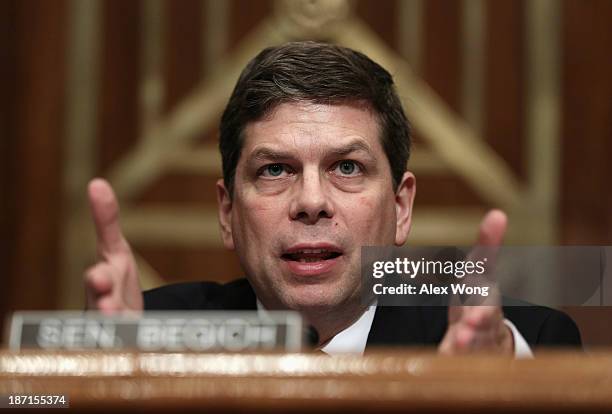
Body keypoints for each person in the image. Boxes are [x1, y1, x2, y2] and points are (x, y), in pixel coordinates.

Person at [84, 41, 581, 355]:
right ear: (228, 211)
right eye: (275, 170)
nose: (311, 201)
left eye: (347, 168)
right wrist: (104, 385)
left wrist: (504, 392)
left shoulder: (529, 341)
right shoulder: (148, 334)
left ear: (401, 207)